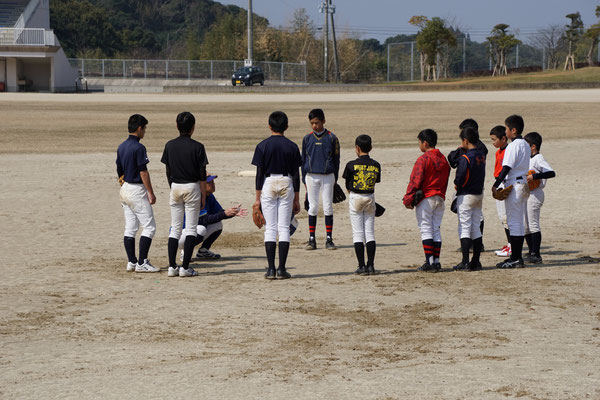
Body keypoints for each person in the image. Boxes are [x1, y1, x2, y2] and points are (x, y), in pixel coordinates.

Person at [251, 111, 302, 279]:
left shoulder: (262, 145)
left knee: (271, 228)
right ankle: (282, 269)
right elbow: (296, 174)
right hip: (287, 182)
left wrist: (257, 199)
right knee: (283, 227)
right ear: (286, 127)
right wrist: (296, 198)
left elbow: (259, 174)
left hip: (268, 183)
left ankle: (271, 269)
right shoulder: (292, 146)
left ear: (269, 126)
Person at [161, 111, 208, 277]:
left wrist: (171, 186)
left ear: (176, 126)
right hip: (192, 187)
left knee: (175, 228)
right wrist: (203, 193)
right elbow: (202, 173)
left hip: (175, 186)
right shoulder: (198, 147)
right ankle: (185, 267)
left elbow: (168, 170)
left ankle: (172, 266)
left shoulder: (169, 145)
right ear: (193, 127)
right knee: (190, 229)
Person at [403, 129, 451, 273]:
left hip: (427, 198)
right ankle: (436, 261)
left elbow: (415, 181)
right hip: (440, 197)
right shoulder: (443, 158)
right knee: (436, 228)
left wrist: (408, 199)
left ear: (425, 143)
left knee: (426, 229)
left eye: (419, 142)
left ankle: (429, 262)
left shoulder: (423, 159)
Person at [116, 114, 159, 273]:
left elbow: (119, 169)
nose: (145, 131)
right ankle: (142, 262)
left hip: (125, 188)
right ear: (139, 128)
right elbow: (143, 172)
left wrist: (123, 183)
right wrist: (151, 192)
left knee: (130, 228)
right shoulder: (139, 148)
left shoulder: (121, 146)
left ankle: (132, 262)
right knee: (149, 227)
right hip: (136, 189)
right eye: (145, 128)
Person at [178, 174, 248, 261]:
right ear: (202, 184)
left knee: (218, 224)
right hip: (180, 235)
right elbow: (203, 219)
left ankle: (203, 251)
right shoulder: (195, 197)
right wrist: (225, 214)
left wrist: (232, 212)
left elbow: (219, 213)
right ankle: (185, 251)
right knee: (201, 229)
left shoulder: (209, 196)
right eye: (210, 182)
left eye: (213, 182)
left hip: (194, 231)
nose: (213, 184)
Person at [493, 115, 531, 269]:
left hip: (514, 185)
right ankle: (516, 257)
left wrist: (496, 184)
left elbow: (506, 167)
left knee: (514, 223)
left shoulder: (513, 146)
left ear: (513, 130)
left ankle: (515, 258)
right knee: (519, 224)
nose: (506, 131)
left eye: (507, 129)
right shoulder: (526, 144)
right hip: (523, 184)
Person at [301, 108, 341, 251]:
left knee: (328, 207)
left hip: (328, 176)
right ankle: (312, 239)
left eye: (317, 122)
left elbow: (337, 159)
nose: (314, 126)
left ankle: (329, 238)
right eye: (312, 123)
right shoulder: (307, 138)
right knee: (312, 207)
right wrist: (303, 179)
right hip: (311, 176)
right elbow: (303, 159)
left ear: (323, 121)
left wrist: (335, 177)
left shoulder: (332, 137)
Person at [342, 134, 381, 275]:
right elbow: (376, 181)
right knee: (369, 233)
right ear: (370, 147)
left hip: (355, 197)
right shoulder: (376, 165)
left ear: (357, 148)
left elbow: (347, 182)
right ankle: (371, 265)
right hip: (370, 197)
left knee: (358, 233)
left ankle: (361, 266)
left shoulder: (351, 164)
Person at [448, 118, 488, 251]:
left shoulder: (478, 148)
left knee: (472, 218)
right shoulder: (471, 147)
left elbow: (458, 163)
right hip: (474, 185)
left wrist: (458, 184)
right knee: (473, 216)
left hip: (469, 185)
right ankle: (474, 244)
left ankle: (474, 244)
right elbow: (452, 158)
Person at [452, 127, 486, 271]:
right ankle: (476, 261)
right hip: (479, 194)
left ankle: (465, 261)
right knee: (476, 228)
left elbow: (459, 177)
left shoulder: (465, 157)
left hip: (466, 195)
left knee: (464, 227)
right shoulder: (481, 155)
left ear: (465, 141)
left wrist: (457, 185)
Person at [523, 132, 556, 264]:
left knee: (533, 224)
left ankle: (536, 254)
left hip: (535, 194)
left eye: (527, 145)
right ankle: (531, 251)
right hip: (526, 193)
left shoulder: (538, 158)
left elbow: (551, 173)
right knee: (525, 226)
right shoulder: (528, 159)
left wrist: (535, 176)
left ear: (533, 147)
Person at [489, 125, 512, 257]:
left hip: (504, 183)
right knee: (501, 216)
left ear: (503, 138)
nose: (493, 142)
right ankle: (510, 244)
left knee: (506, 216)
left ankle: (511, 245)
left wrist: (498, 184)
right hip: (498, 182)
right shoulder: (498, 151)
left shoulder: (508, 151)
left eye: (494, 139)